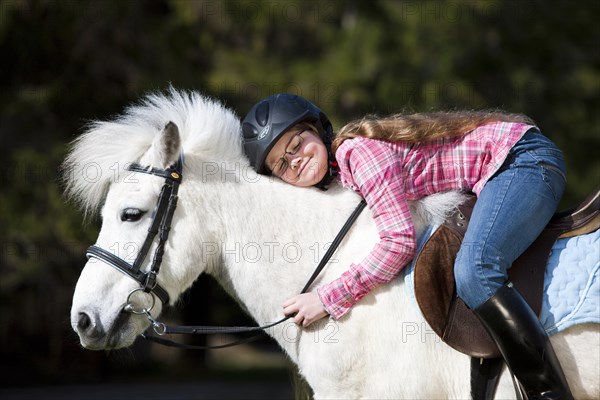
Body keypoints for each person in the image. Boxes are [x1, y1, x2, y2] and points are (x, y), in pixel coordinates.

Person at [242, 93, 572, 398]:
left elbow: (398, 243)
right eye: (282, 164)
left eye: (296, 144)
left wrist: (327, 298)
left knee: (476, 271)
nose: (295, 161)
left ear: (317, 129)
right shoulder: (342, 175)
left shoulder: (357, 154)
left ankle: (547, 392)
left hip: (521, 160)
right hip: (498, 172)